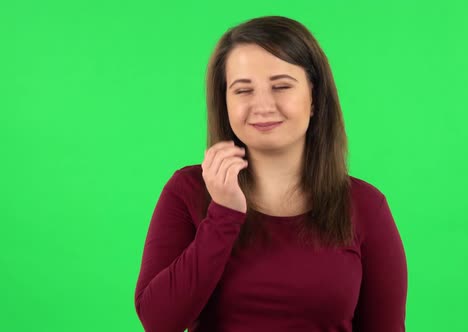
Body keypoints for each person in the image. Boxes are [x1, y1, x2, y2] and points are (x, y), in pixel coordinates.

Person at [134, 15, 407, 332]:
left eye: (281, 86)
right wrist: (223, 213)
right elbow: (158, 321)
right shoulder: (188, 190)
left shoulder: (366, 206)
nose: (262, 105)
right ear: (224, 103)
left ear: (315, 98)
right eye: (243, 90)